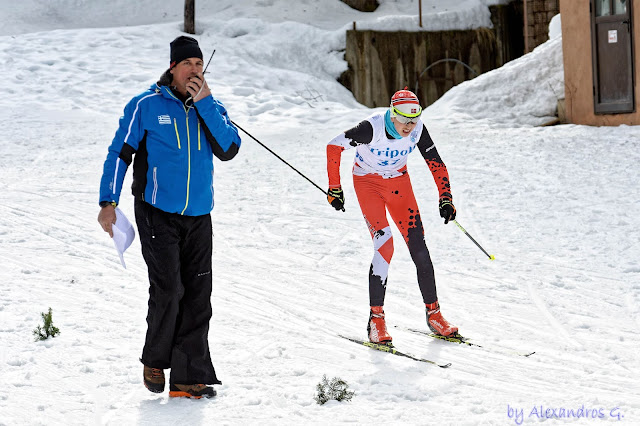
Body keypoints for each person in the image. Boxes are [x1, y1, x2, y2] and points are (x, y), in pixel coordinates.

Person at [97, 36, 241, 398]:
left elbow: (229, 149)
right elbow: (120, 153)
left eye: (199, 64)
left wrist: (205, 103)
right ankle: (155, 359)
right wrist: (108, 201)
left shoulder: (211, 106)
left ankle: (186, 377)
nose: (195, 70)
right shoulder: (145, 105)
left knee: (198, 294)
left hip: (199, 215)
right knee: (169, 290)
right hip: (156, 212)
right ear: (173, 68)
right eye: (188, 64)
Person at [326, 88, 458, 344]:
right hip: (368, 185)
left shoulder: (418, 129)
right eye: (404, 120)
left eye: (414, 119)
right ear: (392, 114)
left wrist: (446, 197)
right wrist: (335, 188)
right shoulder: (371, 129)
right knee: (385, 246)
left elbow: (436, 162)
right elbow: (334, 146)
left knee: (419, 246)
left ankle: (434, 314)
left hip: (399, 185)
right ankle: (376, 319)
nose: (410, 126)